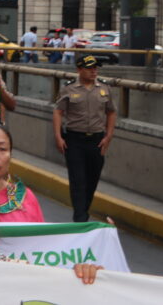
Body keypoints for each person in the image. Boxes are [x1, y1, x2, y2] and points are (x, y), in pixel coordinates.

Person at [54, 54, 116, 222]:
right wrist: (58, 136)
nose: (93, 71)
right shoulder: (69, 89)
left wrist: (109, 136)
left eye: (95, 68)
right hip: (75, 140)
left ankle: (83, 211)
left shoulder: (104, 89)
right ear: (79, 70)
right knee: (78, 181)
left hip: (96, 141)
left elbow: (111, 112)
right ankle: (80, 219)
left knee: (92, 180)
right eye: (89, 68)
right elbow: (58, 111)